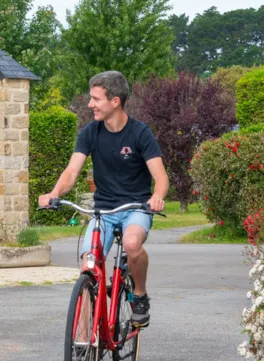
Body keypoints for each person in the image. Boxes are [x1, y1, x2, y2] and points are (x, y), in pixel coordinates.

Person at [38, 71, 169, 327]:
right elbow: (72, 171)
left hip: (136, 208)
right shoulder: (90, 132)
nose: (90, 105)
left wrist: (157, 197)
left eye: (96, 99)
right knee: (88, 264)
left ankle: (140, 295)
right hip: (103, 212)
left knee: (132, 244)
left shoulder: (140, 133)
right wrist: (54, 193)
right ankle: (84, 337)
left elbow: (161, 177)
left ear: (115, 101)